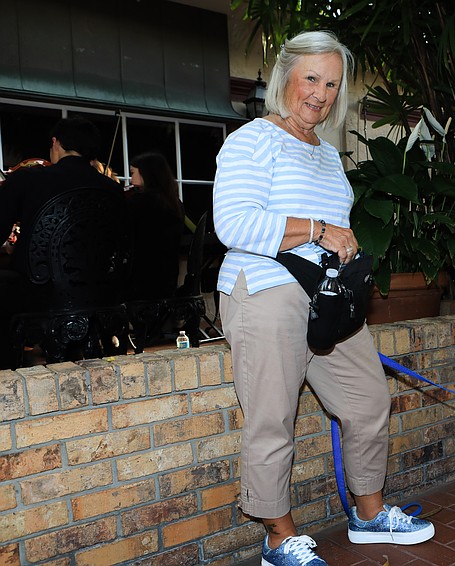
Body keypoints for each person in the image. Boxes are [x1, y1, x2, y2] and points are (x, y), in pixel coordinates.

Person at [213, 31, 434, 565]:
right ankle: (279, 538)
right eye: (311, 78)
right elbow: (232, 223)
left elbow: (335, 229)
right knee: (273, 418)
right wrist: (316, 229)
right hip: (265, 292)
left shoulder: (330, 158)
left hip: (326, 299)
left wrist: (344, 246)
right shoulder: (253, 140)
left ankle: (368, 514)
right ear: (285, 76)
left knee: (368, 401)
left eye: (331, 83)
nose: (320, 93)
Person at [0, 117, 123, 368]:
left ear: (55, 143)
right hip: (100, 293)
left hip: (37, 294)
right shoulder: (113, 190)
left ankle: (8, 367)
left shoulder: (28, 179)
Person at [125, 152, 185, 301]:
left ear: (146, 173)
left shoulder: (141, 202)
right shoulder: (175, 203)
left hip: (142, 281)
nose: (131, 179)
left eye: (133, 173)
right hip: (167, 279)